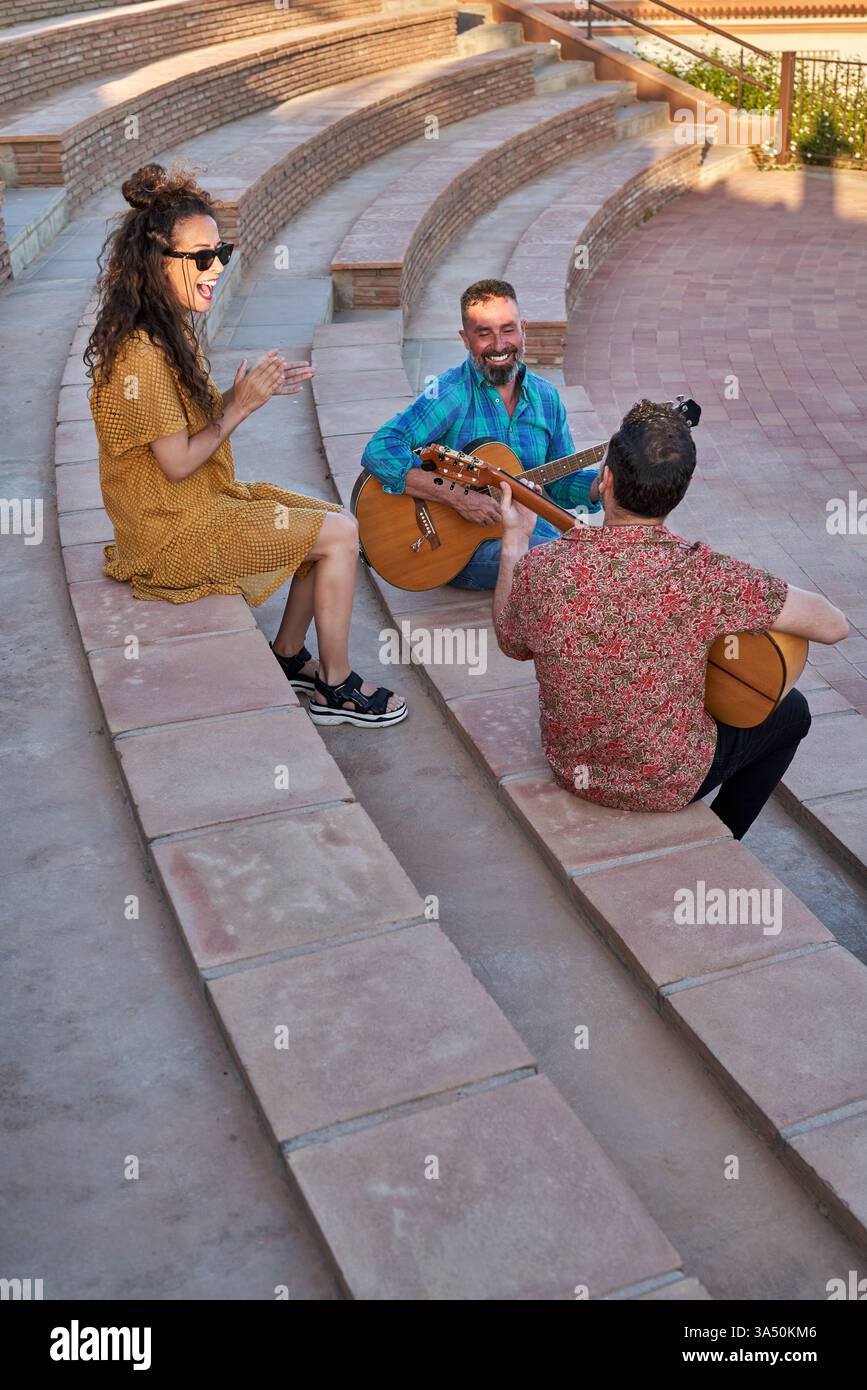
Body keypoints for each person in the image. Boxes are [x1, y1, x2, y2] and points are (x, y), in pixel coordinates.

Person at [85, 162, 405, 728]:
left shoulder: (167, 327)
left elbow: (181, 425)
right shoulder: (140, 352)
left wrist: (242, 390)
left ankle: (287, 655)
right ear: (158, 260)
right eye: (202, 257)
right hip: (170, 532)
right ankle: (334, 687)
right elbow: (178, 461)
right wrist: (241, 405)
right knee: (336, 536)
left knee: (331, 519)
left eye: (221, 253)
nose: (217, 268)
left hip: (198, 505)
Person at [492, 399, 848, 840]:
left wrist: (513, 539)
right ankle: (724, 833)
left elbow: (511, 642)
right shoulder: (705, 574)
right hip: (668, 784)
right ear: (685, 486)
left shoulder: (541, 565)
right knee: (792, 711)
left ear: (605, 480)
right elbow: (835, 626)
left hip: (571, 767)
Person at [360, 278, 601, 589]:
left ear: (523, 329)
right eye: (484, 334)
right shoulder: (450, 393)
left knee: (586, 558)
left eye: (508, 330)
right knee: (569, 563)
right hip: (463, 549)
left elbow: (559, 480)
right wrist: (459, 498)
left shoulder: (546, 398)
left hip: (531, 531)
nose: (499, 345)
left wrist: (598, 486)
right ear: (465, 339)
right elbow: (380, 449)